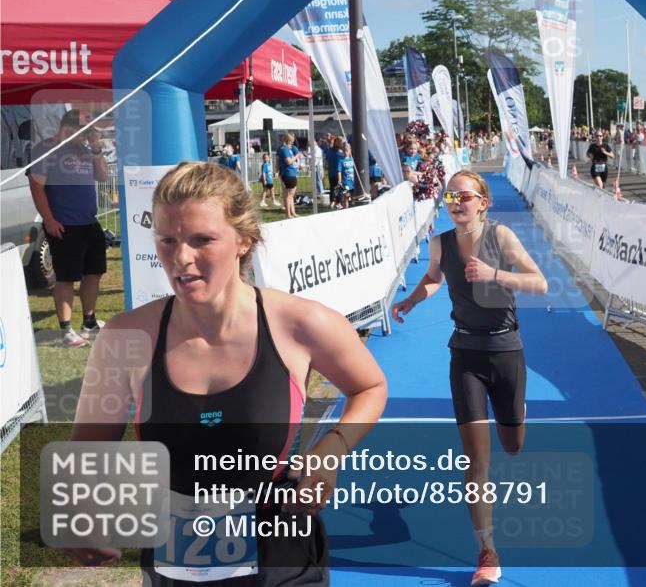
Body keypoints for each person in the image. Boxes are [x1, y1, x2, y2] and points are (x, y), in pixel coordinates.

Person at [65, 161, 388, 582]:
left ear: (243, 241)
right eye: (167, 240)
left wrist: (332, 449)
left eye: (202, 240)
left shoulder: (301, 324)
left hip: (283, 562)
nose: (181, 258)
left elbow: (370, 385)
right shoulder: (126, 337)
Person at [391, 171, 547, 586]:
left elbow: (540, 283)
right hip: (465, 355)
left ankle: (517, 411)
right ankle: (487, 550)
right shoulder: (440, 243)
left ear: (482, 202)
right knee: (477, 461)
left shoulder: (502, 239)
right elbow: (433, 280)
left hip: (506, 350)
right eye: (450, 196)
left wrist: (496, 275)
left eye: (464, 195)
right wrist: (411, 298)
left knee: (513, 446)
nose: (455, 202)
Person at [27, 109, 108, 347]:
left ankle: (89, 322)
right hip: (64, 224)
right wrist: (49, 220)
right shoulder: (46, 149)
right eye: (85, 132)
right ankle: (66, 329)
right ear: (69, 127)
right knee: (66, 278)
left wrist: (95, 148)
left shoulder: (84, 150)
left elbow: (102, 176)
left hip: (89, 222)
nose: (86, 136)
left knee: (93, 273)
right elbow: (36, 187)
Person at [277, 134, 301, 218]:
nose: (293, 142)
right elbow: (288, 161)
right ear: (289, 140)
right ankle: (288, 213)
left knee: (291, 195)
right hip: (288, 173)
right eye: (292, 140)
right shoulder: (284, 149)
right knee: (289, 195)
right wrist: (296, 156)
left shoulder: (288, 149)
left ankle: (293, 212)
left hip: (292, 173)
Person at [338, 142, 357, 209]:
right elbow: (339, 171)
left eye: (347, 151)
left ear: (350, 150)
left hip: (353, 182)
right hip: (346, 182)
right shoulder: (341, 161)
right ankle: (346, 208)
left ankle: (353, 208)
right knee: (346, 196)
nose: (345, 152)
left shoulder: (353, 160)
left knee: (353, 196)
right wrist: (339, 180)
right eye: (344, 151)